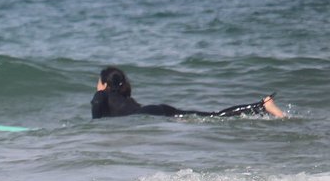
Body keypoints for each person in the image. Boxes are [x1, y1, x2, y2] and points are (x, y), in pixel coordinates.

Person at [91, 66, 287, 119]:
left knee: (212, 117)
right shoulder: (124, 98)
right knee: (212, 115)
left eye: (98, 82)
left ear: (104, 85)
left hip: (147, 114)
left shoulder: (103, 96)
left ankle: (261, 106)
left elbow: (96, 116)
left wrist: (98, 96)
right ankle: (260, 106)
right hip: (156, 109)